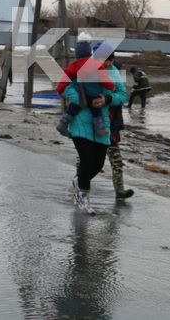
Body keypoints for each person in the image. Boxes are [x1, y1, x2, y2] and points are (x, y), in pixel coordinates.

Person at [62, 54, 128, 214]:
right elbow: (65, 86)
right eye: (99, 59)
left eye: (106, 61)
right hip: (81, 121)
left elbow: (123, 95)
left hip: (101, 124)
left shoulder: (114, 73)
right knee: (86, 159)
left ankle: (79, 182)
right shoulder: (83, 68)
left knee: (98, 164)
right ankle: (83, 197)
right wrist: (82, 99)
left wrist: (107, 99)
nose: (102, 64)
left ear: (111, 61)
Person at [56, 40, 116, 137]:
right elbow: (104, 79)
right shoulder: (96, 64)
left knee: (73, 107)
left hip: (81, 94)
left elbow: (65, 78)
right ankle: (99, 129)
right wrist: (111, 86)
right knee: (96, 111)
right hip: (93, 95)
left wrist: (59, 89)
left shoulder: (74, 65)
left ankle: (63, 123)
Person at [104, 52, 134, 200]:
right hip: (93, 127)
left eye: (108, 61)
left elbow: (121, 98)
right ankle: (80, 186)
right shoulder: (91, 73)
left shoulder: (116, 76)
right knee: (86, 160)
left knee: (116, 160)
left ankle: (119, 191)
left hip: (111, 127)